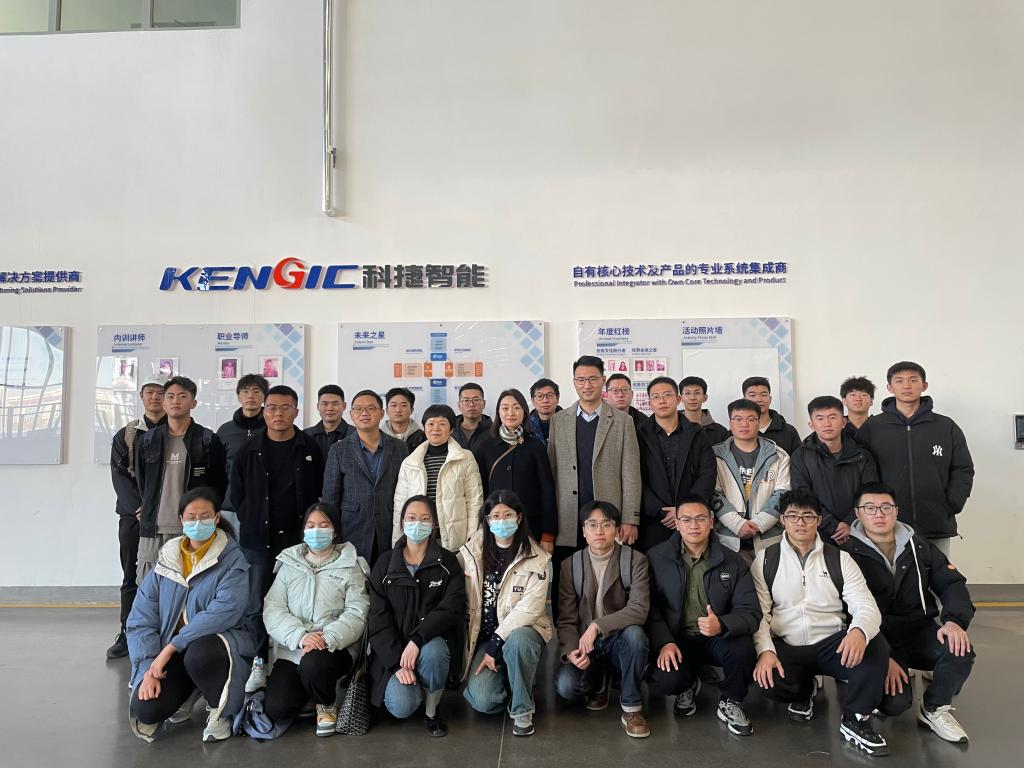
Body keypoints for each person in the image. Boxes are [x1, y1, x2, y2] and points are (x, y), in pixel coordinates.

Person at [751, 489, 890, 757]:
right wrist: (766, 651)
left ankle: (855, 719)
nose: (800, 522)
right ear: (782, 520)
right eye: (793, 516)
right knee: (767, 682)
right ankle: (805, 690)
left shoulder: (840, 558)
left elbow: (865, 606)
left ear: (818, 520)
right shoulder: (766, 559)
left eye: (808, 516)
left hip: (832, 645)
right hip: (788, 644)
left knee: (875, 643)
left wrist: (858, 631)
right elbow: (760, 614)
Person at [844, 482, 975, 743]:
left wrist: (953, 621)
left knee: (959, 648)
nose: (879, 514)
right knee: (895, 704)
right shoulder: (846, 552)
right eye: (870, 508)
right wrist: (882, 658)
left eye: (886, 507)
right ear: (857, 513)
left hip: (918, 630)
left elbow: (951, 583)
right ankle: (877, 686)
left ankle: (934, 708)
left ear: (896, 511)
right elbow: (845, 611)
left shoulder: (919, 546)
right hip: (878, 637)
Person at [126, 487, 256, 743]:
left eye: (205, 516)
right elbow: (141, 619)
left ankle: (221, 711)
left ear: (217, 518)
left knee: (200, 654)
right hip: (173, 652)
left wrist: (170, 648)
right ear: (181, 520)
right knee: (146, 711)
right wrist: (147, 669)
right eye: (191, 517)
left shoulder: (232, 559)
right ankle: (189, 691)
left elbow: (223, 612)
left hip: (216, 646)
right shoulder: (167, 559)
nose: (198, 523)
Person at [230, 384, 325, 689]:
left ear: (296, 411)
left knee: (299, 603)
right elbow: (238, 495)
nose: (278, 413)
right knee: (256, 604)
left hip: (299, 543)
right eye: (272, 407)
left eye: (285, 408)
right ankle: (259, 661)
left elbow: (320, 492)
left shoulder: (310, 449)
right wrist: (253, 519)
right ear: (264, 411)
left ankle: (292, 659)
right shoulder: (248, 450)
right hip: (259, 541)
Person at [646, 495, 759, 736]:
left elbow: (750, 611)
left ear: (711, 522)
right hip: (677, 638)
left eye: (700, 519)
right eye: (686, 520)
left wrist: (723, 624)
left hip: (717, 637)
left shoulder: (732, 561)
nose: (693, 525)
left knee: (743, 651)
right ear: (677, 524)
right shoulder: (656, 558)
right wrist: (664, 642)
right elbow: (650, 609)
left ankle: (731, 700)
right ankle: (688, 684)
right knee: (667, 679)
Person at [262, 502, 369, 737]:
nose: (316, 530)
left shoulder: (351, 565)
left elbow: (357, 611)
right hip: (294, 647)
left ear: (334, 530)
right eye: (310, 526)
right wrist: (301, 637)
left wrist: (325, 638)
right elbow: (274, 608)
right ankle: (311, 691)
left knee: (314, 665)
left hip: (334, 647)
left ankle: (326, 702)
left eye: (323, 525)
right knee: (278, 708)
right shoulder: (288, 563)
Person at [548, 356, 641, 617]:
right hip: (569, 518)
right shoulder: (559, 420)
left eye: (592, 379)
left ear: (603, 381)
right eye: (581, 380)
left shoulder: (622, 421)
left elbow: (631, 473)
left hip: (608, 520)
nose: (586, 385)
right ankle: (568, 636)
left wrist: (630, 518)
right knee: (568, 584)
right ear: (573, 382)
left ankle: (609, 632)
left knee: (610, 585)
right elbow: (552, 472)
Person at [368, 496, 466, 737]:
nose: (417, 524)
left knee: (435, 653)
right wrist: (395, 662)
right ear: (402, 522)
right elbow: (378, 618)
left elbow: (451, 608)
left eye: (424, 519)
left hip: (430, 644)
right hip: (393, 652)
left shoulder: (447, 562)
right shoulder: (384, 564)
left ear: (434, 525)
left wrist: (418, 639)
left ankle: (432, 711)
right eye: (411, 518)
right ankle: (416, 689)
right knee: (402, 706)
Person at [855, 361, 974, 555]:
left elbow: (963, 468)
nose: (906, 386)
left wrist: (951, 503)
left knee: (939, 573)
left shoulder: (945, 426)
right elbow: (859, 472)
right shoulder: (873, 427)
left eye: (913, 380)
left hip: (935, 522)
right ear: (889, 387)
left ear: (924, 385)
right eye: (899, 381)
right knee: (890, 574)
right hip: (886, 525)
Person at [459, 490, 552, 737]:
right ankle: (517, 679)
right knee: (483, 700)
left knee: (519, 639)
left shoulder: (538, 559)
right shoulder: (470, 553)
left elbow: (530, 610)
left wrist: (497, 643)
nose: (502, 521)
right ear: (487, 520)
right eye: (495, 516)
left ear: (519, 518)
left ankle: (522, 710)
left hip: (521, 635)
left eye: (508, 515)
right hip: (484, 639)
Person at [555, 501, 651, 739]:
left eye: (607, 525)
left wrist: (598, 626)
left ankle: (632, 707)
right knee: (567, 687)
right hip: (586, 645)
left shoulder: (635, 560)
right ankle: (600, 680)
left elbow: (639, 609)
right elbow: (566, 619)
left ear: (617, 530)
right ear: (583, 530)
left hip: (619, 640)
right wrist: (571, 652)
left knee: (636, 635)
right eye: (592, 525)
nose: (599, 531)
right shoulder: (570, 565)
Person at [135, 376, 227, 585]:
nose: (175, 401)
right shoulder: (148, 440)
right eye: (170, 396)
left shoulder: (207, 439)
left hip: (192, 528)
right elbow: (143, 481)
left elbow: (218, 485)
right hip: (154, 528)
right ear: (164, 403)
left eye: (182, 396)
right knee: (148, 584)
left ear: (193, 403)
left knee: (190, 583)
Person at [107, 374, 166, 660]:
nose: (155, 397)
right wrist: (141, 508)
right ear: (141, 396)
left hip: (169, 516)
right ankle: (127, 632)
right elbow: (120, 476)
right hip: (134, 518)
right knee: (131, 575)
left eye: (161, 392)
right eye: (150, 392)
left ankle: (166, 632)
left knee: (171, 575)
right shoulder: (127, 434)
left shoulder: (178, 431)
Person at [322, 389, 409, 564]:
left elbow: (406, 490)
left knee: (387, 574)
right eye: (358, 409)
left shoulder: (400, 447)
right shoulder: (339, 450)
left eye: (371, 408)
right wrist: (331, 535)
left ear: (382, 413)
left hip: (389, 527)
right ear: (351, 414)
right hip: (351, 529)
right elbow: (330, 498)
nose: (364, 413)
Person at [635, 376, 716, 552]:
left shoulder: (696, 433)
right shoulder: (638, 434)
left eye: (667, 395)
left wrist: (683, 510)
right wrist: (659, 510)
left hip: (692, 519)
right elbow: (634, 477)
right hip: (653, 519)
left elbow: (707, 474)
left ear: (678, 399)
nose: (662, 401)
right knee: (655, 564)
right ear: (649, 403)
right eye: (656, 397)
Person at [473, 388, 558, 553]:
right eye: (505, 408)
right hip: (496, 526)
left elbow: (547, 491)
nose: (510, 413)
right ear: (498, 413)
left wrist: (548, 534)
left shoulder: (535, 446)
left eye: (516, 407)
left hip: (531, 527)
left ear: (525, 413)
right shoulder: (485, 448)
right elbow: (479, 491)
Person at [789, 395, 878, 546]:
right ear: (811, 424)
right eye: (820, 418)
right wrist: (832, 525)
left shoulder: (862, 455)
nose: (827, 424)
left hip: (859, 531)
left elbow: (870, 494)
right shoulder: (801, 456)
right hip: (817, 532)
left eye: (832, 417)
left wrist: (850, 523)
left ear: (843, 422)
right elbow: (802, 495)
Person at [393, 404, 483, 551]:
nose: (436, 428)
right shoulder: (410, 462)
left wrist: (471, 539)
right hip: (417, 536)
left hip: (454, 537)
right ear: (424, 428)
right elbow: (400, 505)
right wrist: (397, 542)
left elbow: (474, 501)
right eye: (431, 424)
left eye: (442, 424)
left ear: (451, 429)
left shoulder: (465, 458)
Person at [712, 399, 791, 560]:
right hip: (728, 540)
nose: (744, 424)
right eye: (738, 419)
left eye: (751, 419)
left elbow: (782, 494)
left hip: (769, 539)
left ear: (759, 422)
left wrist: (758, 524)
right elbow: (714, 494)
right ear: (730, 423)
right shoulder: (715, 456)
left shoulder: (778, 455)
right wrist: (737, 524)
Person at [217, 373, 269, 533]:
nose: (250, 396)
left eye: (256, 391)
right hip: (229, 507)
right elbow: (217, 470)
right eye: (245, 391)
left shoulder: (273, 429)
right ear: (238, 396)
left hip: (264, 506)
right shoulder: (225, 431)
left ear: (265, 397)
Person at [741, 376, 801, 455]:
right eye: (752, 395)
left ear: (770, 399)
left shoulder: (789, 431)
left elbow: (798, 461)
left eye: (763, 395)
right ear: (744, 400)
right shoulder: (737, 432)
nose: (759, 399)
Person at [679, 375, 729, 446]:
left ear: (705, 398)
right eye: (687, 393)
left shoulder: (720, 432)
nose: (692, 398)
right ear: (680, 398)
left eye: (697, 393)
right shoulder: (670, 428)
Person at [304, 384, 350, 461]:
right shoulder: (306, 435)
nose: (329, 408)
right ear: (318, 406)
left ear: (344, 406)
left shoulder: (354, 434)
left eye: (335, 404)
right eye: (325, 404)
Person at [453, 382, 492, 452]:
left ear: (484, 404)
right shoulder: (450, 430)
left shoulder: (494, 430)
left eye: (476, 400)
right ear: (459, 405)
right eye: (466, 400)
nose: (471, 404)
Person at [528, 377, 562, 446]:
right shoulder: (526, 426)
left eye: (549, 395)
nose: (545, 400)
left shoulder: (570, 421)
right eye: (540, 396)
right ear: (533, 400)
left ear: (557, 398)